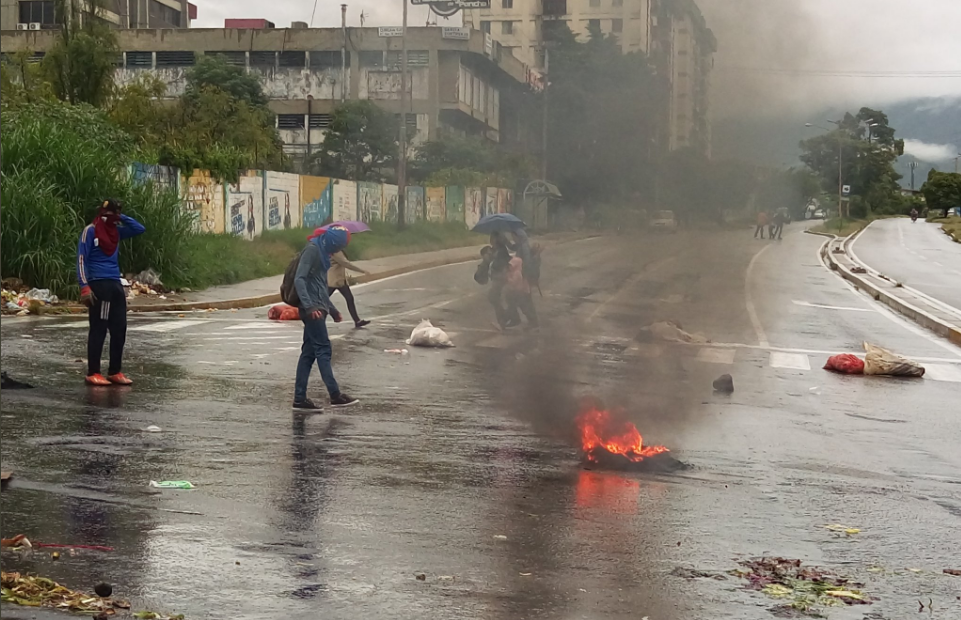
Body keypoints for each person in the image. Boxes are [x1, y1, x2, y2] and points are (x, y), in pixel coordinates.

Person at [77, 199, 146, 386]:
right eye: (112, 215)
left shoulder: (115, 232)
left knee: (119, 328)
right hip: (99, 284)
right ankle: (94, 372)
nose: (114, 220)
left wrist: (120, 217)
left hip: (115, 283)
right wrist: (84, 286)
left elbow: (139, 228)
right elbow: (81, 258)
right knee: (99, 328)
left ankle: (115, 371)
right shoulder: (90, 231)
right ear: (102, 214)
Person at [292, 225, 359, 411]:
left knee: (309, 352)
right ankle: (335, 395)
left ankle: (299, 399)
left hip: (319, 307)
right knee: (323, 349)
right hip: (312, 310)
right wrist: (309, 305)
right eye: (337, 246)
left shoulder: (322, 251)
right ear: (332, 242)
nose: (336, 251)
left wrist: (332, 309)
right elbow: (300, 279)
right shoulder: (312, 250)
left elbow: (321, 286)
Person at [327, 249, 371, 329]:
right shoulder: (335, 252)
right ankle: (313, 319)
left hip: (339, 280)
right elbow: (346, 263)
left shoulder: (333, 250)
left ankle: (357, 321)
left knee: (349, 298)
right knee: (322, 299)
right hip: (334, 280)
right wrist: (362, 271)